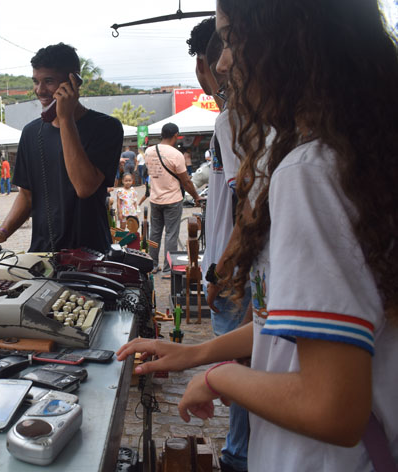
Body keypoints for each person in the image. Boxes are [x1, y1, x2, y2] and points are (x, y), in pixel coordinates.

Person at [118, 0, 398, 470]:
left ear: (288, 42)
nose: (223, 64)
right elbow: (290, 328)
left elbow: (330, 407)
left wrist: (221, 378)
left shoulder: (310, 172)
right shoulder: (356, 157)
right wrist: (197, 353)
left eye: (229, 40)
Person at [0, 43, 123, 252]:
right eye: (36, 81)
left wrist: (65, 118)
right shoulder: (31, 132)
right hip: (42, 254)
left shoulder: (106, 127)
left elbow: (84, 187)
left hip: (91, 255)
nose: (40, 90)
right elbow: (27, 195)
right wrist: (3, 231)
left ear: (73, 81)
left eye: (48, 81)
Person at [188, 17, 250, 472]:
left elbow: (248, 210)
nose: (219, 70)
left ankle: (237, 456)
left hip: (236, 276)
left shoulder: (232, 120)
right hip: (236, 272)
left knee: (241, 376)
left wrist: (220, 271)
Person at [145, 122, 201, 275]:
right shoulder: (176, 154)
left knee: (154, 233)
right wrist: (196, 196)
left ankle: (153, 265)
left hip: (155, 199)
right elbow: (186, 181)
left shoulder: (149, 151)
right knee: (171, 234)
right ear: (176, 135)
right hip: (172, 200)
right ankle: (169, 268)